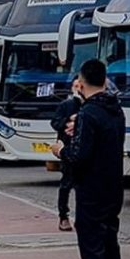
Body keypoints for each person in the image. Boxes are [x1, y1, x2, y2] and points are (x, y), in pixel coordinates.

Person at [52, 59, 126, 259]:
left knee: (92, 246)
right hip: (113, 185)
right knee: (109, 242)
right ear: (105, 81)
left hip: (92, 188)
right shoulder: (116, 110)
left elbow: (79, 156)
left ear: (81, 84)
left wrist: (61, 150)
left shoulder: (88, 113)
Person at [50, 77, 83, 232]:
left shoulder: (89, 106)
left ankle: (82, 217)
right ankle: (63, 216)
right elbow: (55, 123)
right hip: (67, 149)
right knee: (66, 185)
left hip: (83, 150)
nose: (78, 89)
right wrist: (68, 121)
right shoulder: (66, 105)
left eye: (80, 86)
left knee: (83, 186)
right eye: (75, 86)